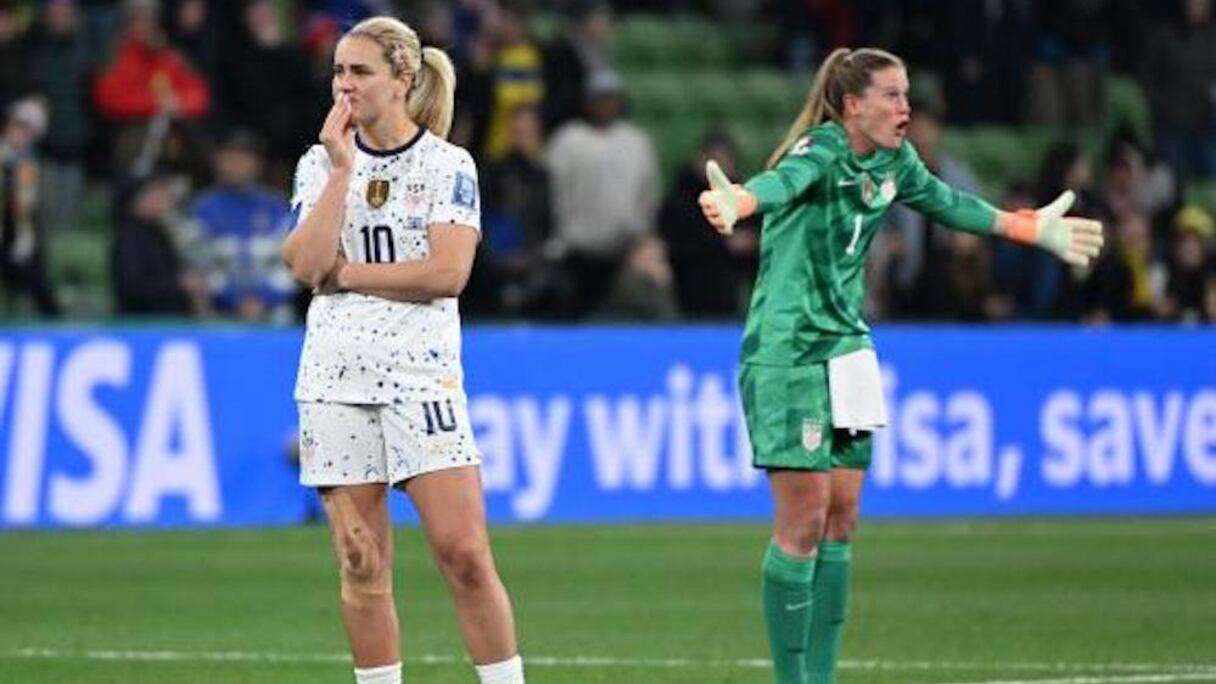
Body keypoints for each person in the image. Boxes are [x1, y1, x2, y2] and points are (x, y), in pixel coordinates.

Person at [698, 47, 1103, 684]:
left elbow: (950, 203)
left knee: (843, 519)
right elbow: (783, 183)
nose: (905, 107)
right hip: (790, 353)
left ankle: (823, 677)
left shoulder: (894, 161)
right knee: (802, 520)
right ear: (852, 105)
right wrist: (741, 202)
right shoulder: (822, 151)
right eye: (891, 95)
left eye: (907, 94)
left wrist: (1026, 229)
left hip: (850, 348)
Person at [279, 16, 525, 684]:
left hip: (421, 378)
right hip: (334, 378)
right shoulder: (319, 161)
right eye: (338, 71)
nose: (345, 84)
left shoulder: (447, 165)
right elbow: (304, 265)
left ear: (403, 78)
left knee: (465, 554)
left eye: (360, 71)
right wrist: (340, 173)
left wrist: (350, 275)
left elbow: (446, 274)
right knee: (361, 563)